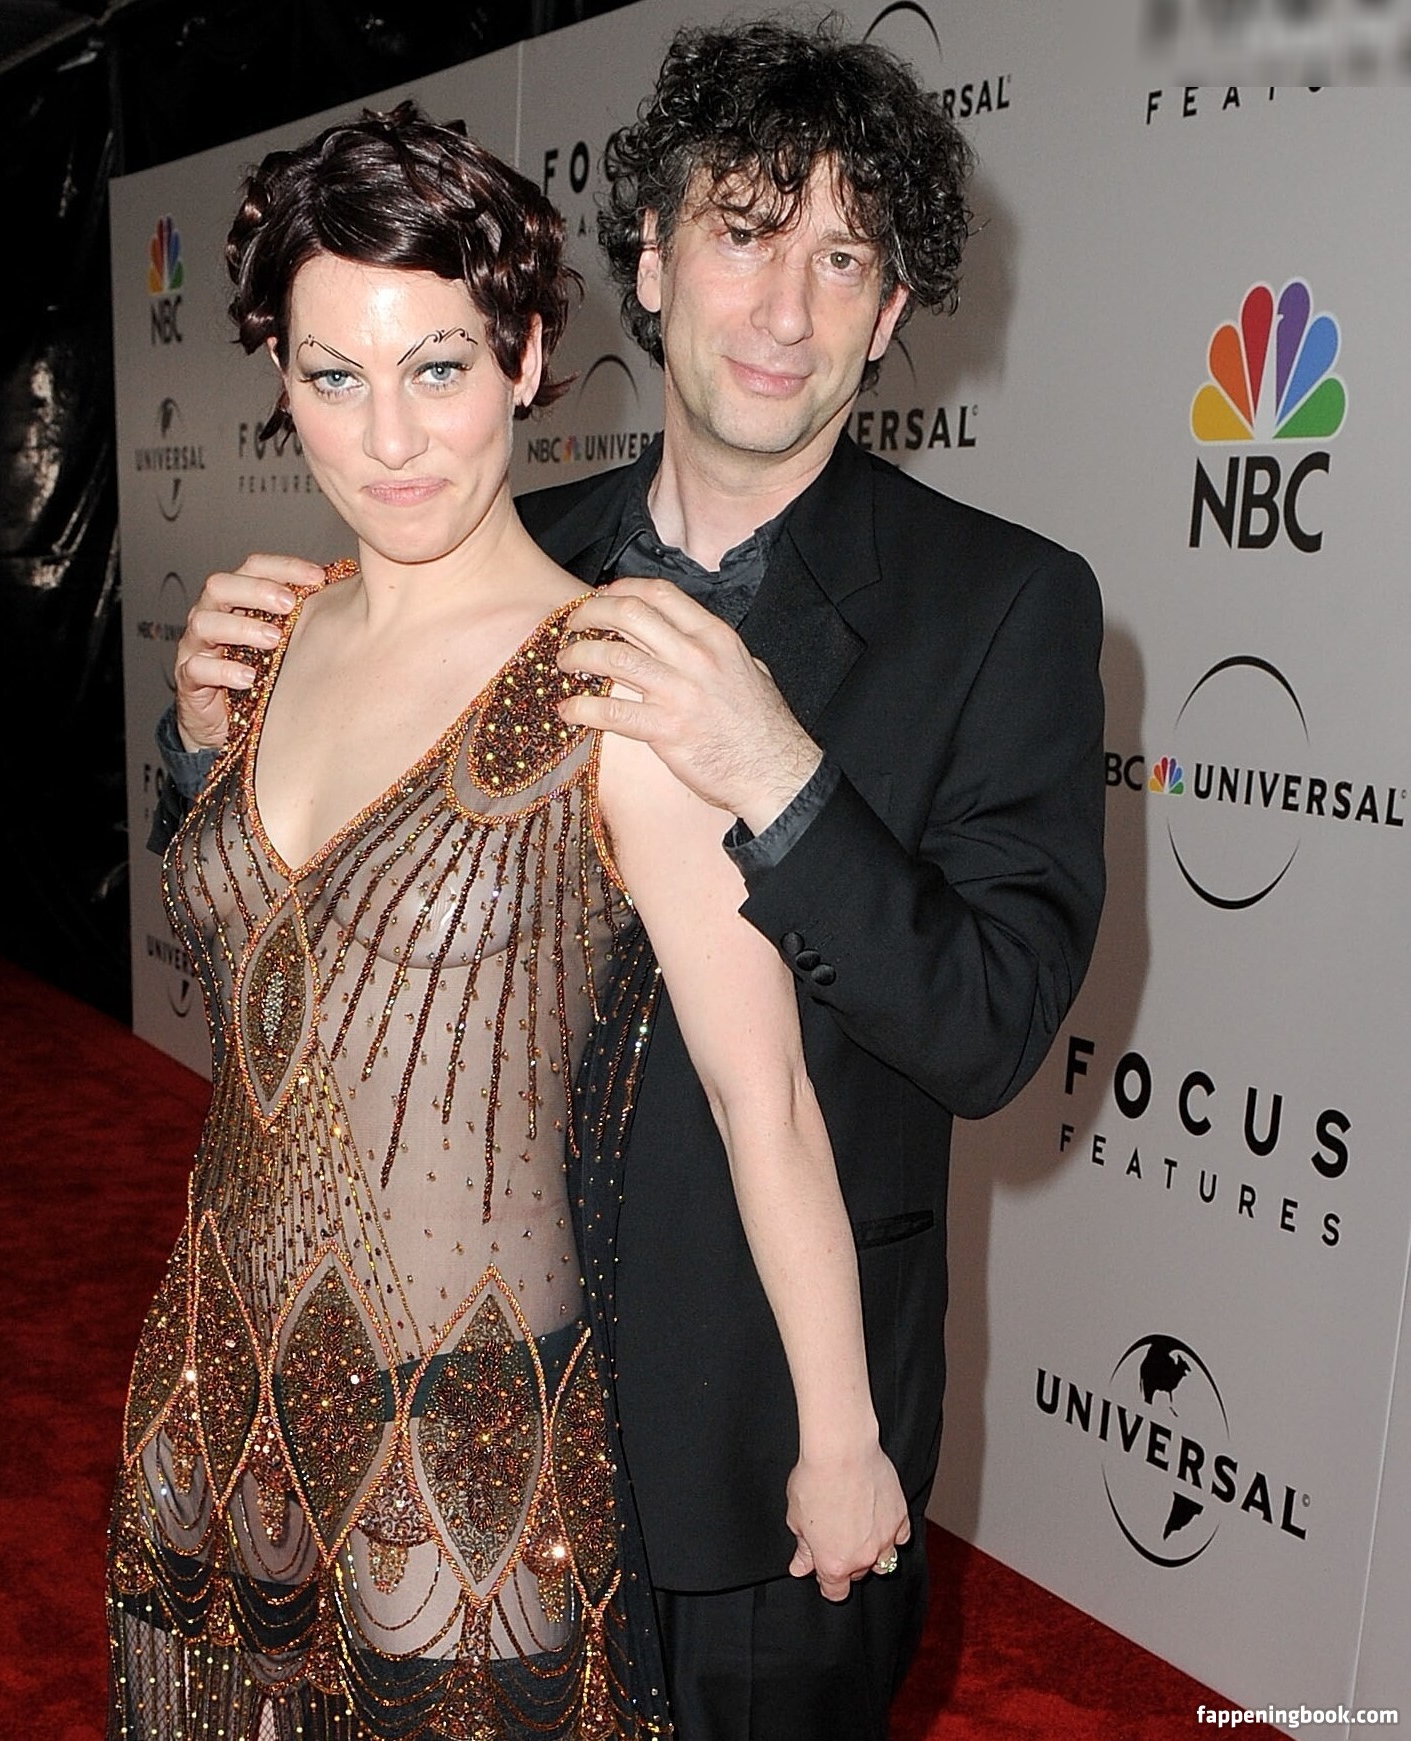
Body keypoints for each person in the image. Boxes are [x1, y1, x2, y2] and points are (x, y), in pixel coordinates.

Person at [152, 21, 1106, 1737]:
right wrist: (203, 741)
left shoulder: (1004, 607)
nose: (782, 309)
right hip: (440, 1397)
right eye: (742, 234)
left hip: (752, 1443)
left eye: (841, 261)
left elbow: (985, 1032)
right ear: (650, 264)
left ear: (892, 312)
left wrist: (778, 774)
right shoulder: (489, 542)